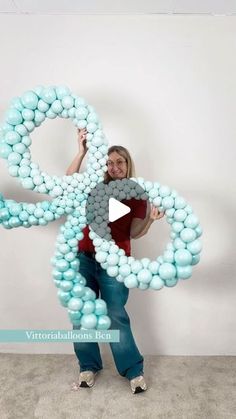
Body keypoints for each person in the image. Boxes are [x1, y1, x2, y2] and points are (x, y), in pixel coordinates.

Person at [67, 128, 164, 394]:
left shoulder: (137, 195)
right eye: (110, 162)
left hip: (115, 262)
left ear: (128, 164)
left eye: (120, 161)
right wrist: (82, 151)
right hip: (84, 257)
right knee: (82, 314)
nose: (115, 166)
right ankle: (88, 365)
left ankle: (133, 370)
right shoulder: (95, 188)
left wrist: (150, 220)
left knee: (115, 316)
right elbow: (68, 180)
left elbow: (134, 232)